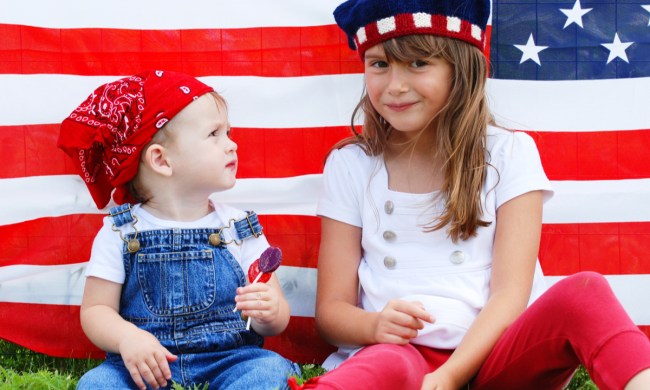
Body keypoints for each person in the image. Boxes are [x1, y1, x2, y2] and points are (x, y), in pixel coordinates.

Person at [289, 1, 650, 389]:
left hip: (496, 352)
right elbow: (330, 313)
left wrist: (446, 379)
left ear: (461, 69)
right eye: (379, 64)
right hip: (401, 354)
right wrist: (374, 324)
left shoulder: (509, 153)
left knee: (585, 291)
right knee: (386, 361)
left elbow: (510, 296)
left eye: (418, 63)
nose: (394, 85)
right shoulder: (352, 165)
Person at [58, 70, 299, 390]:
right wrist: (128, 338)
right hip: (145, 368)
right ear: (162, 160)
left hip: (229, 360)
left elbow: (277, 316)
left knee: (270, 371)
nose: (232, 145)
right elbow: (96, 310)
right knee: (98, 383)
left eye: (228, 132)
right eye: (214, 134)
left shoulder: (238, 227)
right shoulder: (120, 232)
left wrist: (270, 311)